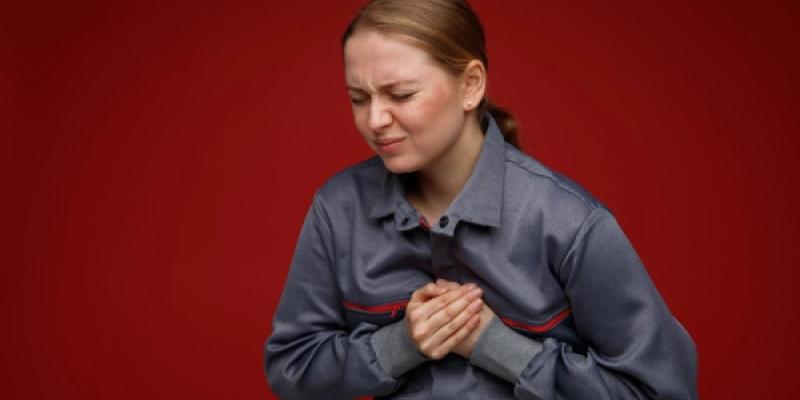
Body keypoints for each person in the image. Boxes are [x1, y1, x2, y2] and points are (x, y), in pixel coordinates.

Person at [264, 0, 698, 398]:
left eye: (401, 95)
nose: (375, 120)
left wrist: (497, 346)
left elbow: (662, 390)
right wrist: (400, 345)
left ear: (470, 85)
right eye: (358, 99)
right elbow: (291, 366)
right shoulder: (337, 209)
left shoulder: (571, 222)